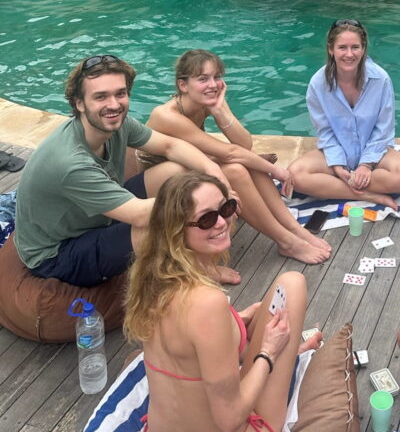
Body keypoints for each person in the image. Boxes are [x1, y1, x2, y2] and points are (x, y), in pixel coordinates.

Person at [124, 171, 322, 432]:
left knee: (275, 305)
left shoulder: (154, 277)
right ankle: (288, 353)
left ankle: (289, 349)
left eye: (226, 208)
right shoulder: (207, 302)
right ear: (177, 230)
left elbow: (188, 343)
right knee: (293, 284)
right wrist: (268, 352)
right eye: (206, 219)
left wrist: (236, 323)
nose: (222, 223)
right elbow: (229, 418)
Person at [14, 54, 235, 287]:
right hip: (59, 251)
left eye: (120, 94)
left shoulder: (117, 124)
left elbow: (171, 145)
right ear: (79, 103)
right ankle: (198, 269)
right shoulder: (70, 162)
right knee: (151, 229)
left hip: (95, 217)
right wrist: (209, 203)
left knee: (177, 170)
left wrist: (214, 172)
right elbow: (140, 215)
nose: (114, 104)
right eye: (101, 97)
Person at [143, 50, 330, 264]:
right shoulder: (167, 115)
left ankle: (294, 229)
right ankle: (286, 241)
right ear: (183, 85)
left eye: (217, 77)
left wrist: (220, 110)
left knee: (247, 163)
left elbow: (244, 144)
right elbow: (230, 152)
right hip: (151, 183)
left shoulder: (205, 102)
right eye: (202, 79)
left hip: (183, 171)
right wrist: (276, 170)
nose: (213, 84)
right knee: (235, 168)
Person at [288, 20, 400, 210]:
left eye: (355, 47)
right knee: (294, 175)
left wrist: (366, 165)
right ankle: (371, 196)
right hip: (337, 151)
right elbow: (325, 131)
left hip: (374, 154)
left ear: (363, 49)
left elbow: (384, 129)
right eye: (342, 47)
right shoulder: (317, 83)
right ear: (331, 49)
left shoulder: (381, 79)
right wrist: (337, 164)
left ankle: (336, 188)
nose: (349, 54)